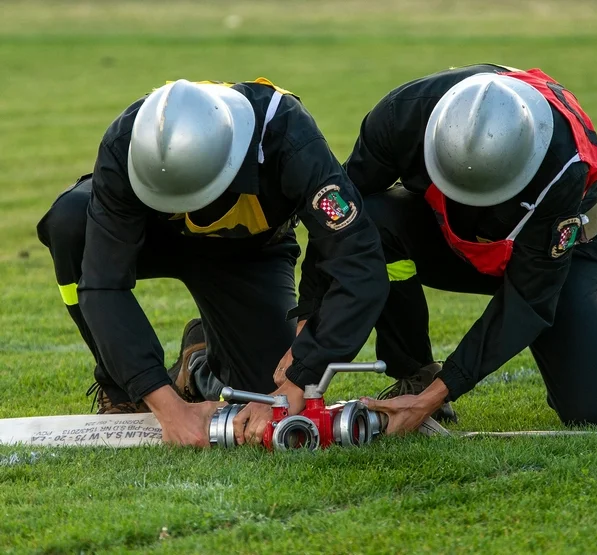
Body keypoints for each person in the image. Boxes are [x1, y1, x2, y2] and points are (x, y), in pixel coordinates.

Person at [292, 64, 597, 433]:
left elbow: (527, 301)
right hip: (451, 240)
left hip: (552, 256)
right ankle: (412, 369)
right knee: (369, 221)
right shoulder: (399, 118)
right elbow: (338, 225)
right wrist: (303, 334)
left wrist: (438, 394)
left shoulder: (564, 169)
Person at [37, 78, 388, 446]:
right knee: (71, 222)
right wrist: (169, 410)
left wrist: (302, 374)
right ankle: (120, 388)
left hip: (247, 252)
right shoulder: (128, 139)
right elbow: (103, 284)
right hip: (153, 237)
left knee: (266, 394)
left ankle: (199, 363)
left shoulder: (289, 137)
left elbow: (358, 263)